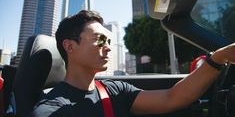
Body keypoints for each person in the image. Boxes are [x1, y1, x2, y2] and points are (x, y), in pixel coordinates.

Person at [30, 10, 235, 117]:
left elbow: (172, 98)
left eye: (109, 41)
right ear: (70, 46)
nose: (108, 47)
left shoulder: (113, 89)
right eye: (100, 39)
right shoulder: (52, 109)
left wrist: (219, 57)